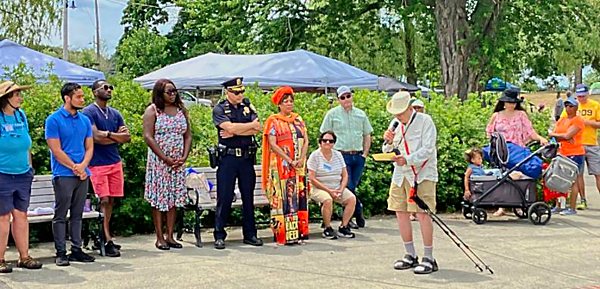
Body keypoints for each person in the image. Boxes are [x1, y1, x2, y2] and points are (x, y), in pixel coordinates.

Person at [382, 91, 439, 274]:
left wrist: (408, 159)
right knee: (400, 212)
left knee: (422, 214)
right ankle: (410, 254)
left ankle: (428, 257)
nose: (397, 116)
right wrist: (388, 143)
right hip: (400, 175)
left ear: (409, 107)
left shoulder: (425, 121)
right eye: (395, 113)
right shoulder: (396, 125)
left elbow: (428, 150)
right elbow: (387, 149)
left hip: (422, 174)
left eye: (400, 112)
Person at [45, 82, 96, 266]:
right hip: (63, 174)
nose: (82, 100)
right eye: (79, 97)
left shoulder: (84, 120)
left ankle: (76, 249)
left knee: (77, 214)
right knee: (60, 214)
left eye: (83, 96)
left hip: (82, 174)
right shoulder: (53, 120)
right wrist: (75, 167)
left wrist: (83, 166)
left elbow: (89, 147)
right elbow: (56, 149)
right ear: (67, 98)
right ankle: (60, 252)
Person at [212, 77, 262, 249]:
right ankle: (219, 235)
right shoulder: (220, 109)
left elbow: (258, 127)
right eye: (236, 92)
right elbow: (230, 128)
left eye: (242, 91)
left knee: (248, 198)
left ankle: (250, 234)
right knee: (225, 197)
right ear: (228, 92)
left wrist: (235, 130)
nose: (240, 95)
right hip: (228, 159)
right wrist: (244, 128)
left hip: (246, 159)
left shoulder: (248, 106)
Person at [82, 80, 130, 257]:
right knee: (103, 199)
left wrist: (109, 135)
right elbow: (95, 137)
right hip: (97, 163)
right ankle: (105, 239)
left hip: (114, 162)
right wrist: (114, 136)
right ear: (95, 92)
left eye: (111, 87)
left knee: (111, 201)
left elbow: (127, 137)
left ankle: (105, 233)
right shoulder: (89, 112)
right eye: (105, 87)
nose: (109, 90)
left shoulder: (115, 113)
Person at [143, 79, 191, 251]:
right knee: (159, 199)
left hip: (177, 162)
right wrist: (164, 158)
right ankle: (159, 237)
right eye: (168, 92)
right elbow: (148, 137)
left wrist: (184, 156)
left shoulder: (181, 111)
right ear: (159, 93)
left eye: (174, 91)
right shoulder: (153, 110)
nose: (173, 94)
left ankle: (170, 236)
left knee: (173, 199)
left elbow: (188, 135)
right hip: (159, 162)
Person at [0, 81, 42, 273]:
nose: (19, 97)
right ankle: (0, 259)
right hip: (2, 174)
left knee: (21, 215)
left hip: (23, 174)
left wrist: (30, 168)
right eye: (16, 94)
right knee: (2, 217)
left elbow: (27, 145)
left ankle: (24, 257)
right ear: (5, 99)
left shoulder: (21, 115)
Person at [486, 88, 548, 216]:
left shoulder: (521, 115)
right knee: (503, 176)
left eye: (513, 102)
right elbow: (489, 133)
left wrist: (540, 138)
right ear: (503, 102)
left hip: (518, 150)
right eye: (509, 102)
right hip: (502, 151)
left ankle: (518, 203)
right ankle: (501, 205)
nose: (511, 105)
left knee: (519, 176)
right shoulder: (496, 116)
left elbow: (530, 131)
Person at [261, 86, 310, 245]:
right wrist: (289, 160)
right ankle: (283, 235)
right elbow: (273, 144)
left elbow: (306, 140)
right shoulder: (273, 121)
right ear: (279, 104)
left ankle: (299, 233)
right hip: (281, 166)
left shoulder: (298, 119)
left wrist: (301, 158)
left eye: (291, 101)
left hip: (298, 166)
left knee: (297, 198)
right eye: (285, 101)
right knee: (283, 198)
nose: (289, 104)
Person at [320, 86, 373, 229]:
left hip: (358, 155)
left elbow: (367, 134)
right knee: (347, 185)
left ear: (352, 96)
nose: (346, 99)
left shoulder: (361, 114)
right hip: (341, 155)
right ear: (338, 100)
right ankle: (351, 217)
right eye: (342, 97)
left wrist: (365, 154)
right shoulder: (332, 114)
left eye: (348, 96)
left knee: (352, 186)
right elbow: (325, 136)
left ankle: (357, 208)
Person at [307, 131, 356, 239]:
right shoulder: (315, 156)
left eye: (331, 141)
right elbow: (312, 178)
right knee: (327, 200)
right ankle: (327, 228)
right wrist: (330, 191)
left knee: (351, 198)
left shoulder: (338, 155)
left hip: (337, 187)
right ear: (320, 142)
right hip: (318, 188)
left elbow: (345, 175)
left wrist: (341, 189)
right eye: (325, 140)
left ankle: (344, 226)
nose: (327, 143)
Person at [549, 96, 585, 215]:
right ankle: (558, 205)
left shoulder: (578, 120)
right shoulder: (562, 119)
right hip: (562, 152)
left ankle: (572, 208)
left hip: (575, 154)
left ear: (576, 108)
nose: (568, 108)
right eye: (566, 106)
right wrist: (559, 136)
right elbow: (559, 135)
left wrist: (557, 135)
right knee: (558, 178)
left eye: (571, 106)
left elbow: (567, 136)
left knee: (573, 181)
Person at [571, 84, 600, 210]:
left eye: (583, 96)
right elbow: (563, 121)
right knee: (579, 174)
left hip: (592, 144)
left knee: (598, 173)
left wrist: (588, 122)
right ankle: (582, 200)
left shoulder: (595, 105)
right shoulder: (572, 106)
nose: (581, 98)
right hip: (577, 145)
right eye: (579, 96)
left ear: (588, 94)